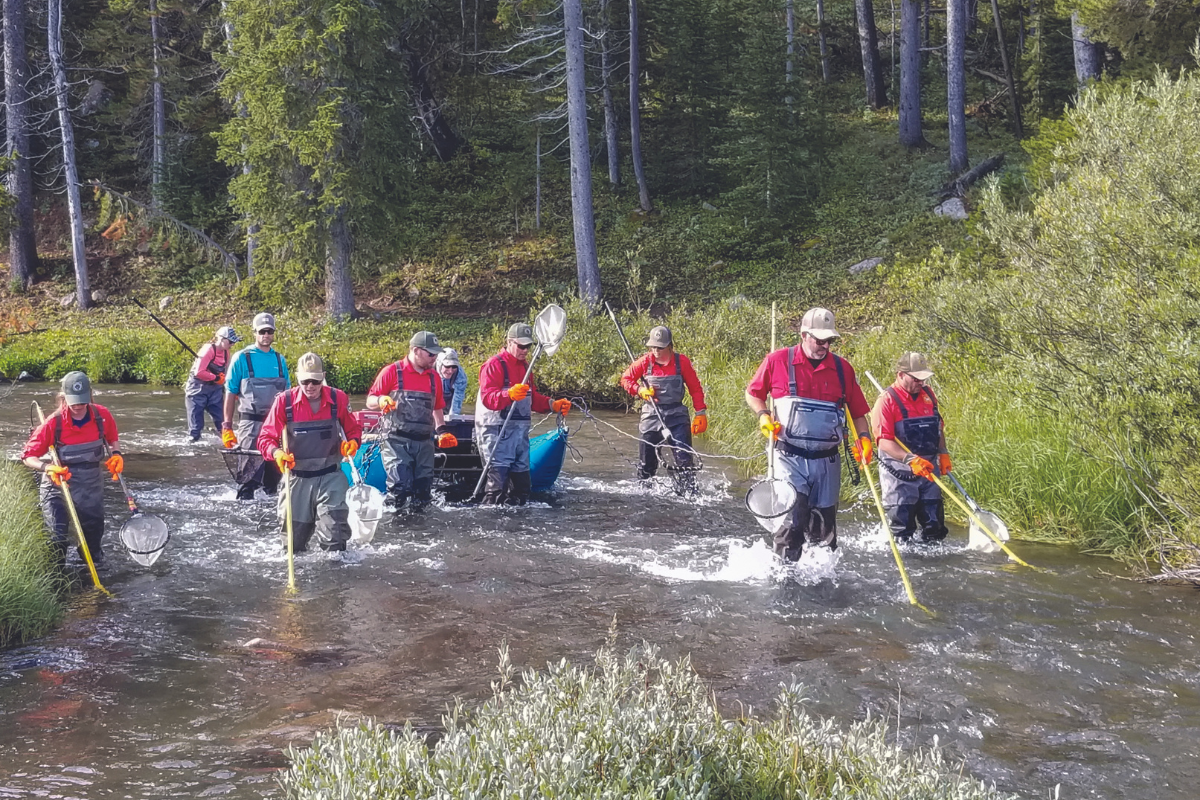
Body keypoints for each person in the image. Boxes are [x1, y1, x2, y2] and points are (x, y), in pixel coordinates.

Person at [744, 307, 873, 562]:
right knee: (792, 521)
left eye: (829, 341)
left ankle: (821, 581)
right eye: (819, 339)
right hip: (788, 457)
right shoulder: (777, 360)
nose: (824, 345)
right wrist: (763, 415)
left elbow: (858, 412)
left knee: (825, 529)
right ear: (803, 335)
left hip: (828, 461)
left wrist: (865, 439)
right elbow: (753, 393)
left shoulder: (843, 369)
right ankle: (785, 578)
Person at [257, 353, 362, 553]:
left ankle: (336, 579)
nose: (310, 386)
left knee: (335, 541)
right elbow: (265, 439)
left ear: (323, 376)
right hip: (297, 479)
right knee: (293, 546)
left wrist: (353, 443)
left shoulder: (338, 398)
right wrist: (277, 453)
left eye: (315, 380)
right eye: (305, 381)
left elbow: (353, 429)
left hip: (331, 476)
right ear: (297, 378)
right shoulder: (283, 402)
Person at [22, 371, 124, 567]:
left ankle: (90, 574)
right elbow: (28, 456)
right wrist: (48, 467)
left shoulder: (102, 416)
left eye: (82, 401)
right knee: (57, 539)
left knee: (92, 541)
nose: (78, 406)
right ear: (64, 397)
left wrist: (117, 455)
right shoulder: (54, 422)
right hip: (57, 486)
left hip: (90, 484)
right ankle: (57, 579)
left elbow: (112, 439)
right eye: (73, 402)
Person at [475, 322, 571, 505]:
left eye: (528, 346)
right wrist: (508, 394)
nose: (525, 350)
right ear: (510, 342)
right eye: (521, 346)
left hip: (519, 436)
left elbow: (532, 399)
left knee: (522, 488)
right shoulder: (493, 365)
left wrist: (553, 405)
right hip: (496, 434)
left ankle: (518, 526)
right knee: (498, 488)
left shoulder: (526, 368)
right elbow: (488, 398)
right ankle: (489, 524)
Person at [366, 332, 459, 510]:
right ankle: (396, 529)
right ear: (416, 350)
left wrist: (442, 431)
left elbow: (437, 407)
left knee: (423, 492)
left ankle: (420, 533)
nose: (434, 358)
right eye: (430, 354)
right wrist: (380, 400)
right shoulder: (391, 372)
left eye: (436, 354)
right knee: (400, 486)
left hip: (424, 442)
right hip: (396, 440)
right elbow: (370, 400)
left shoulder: (434, 378)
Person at [871, 352, 951, 544]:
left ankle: (935, 567)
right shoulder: (886, 401)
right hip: (899, 475)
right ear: (901, 375)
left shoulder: (928, 395)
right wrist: (910, 460)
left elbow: (937, 427)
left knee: (935, 529)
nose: (920, 383)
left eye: (923, 379)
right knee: (902, 532)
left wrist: (944, 454)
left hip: (929, 471)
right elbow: (883, 441)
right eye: (916, 379)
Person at [619, 325, 708, 488]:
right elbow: (625, 380)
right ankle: (645, 492)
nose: (656, 350)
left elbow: (695, 389)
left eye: (660, 347)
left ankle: (689, 492)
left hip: (677, 416)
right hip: (651, 415)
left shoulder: (682, 363)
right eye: (653, 346)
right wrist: (640, 390)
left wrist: (700, 413)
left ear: (670, 346)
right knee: (646, 465)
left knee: (684, 461)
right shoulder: (645, 362)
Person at [222, 312, 291, 500]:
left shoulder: (280, 360)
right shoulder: (241, 358)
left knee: (274, 482)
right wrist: (227, 427)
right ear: (255, 332)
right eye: (262, 331)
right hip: (249, 427)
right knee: (248, 480)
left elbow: (288, 396)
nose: (266, 335)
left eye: (269, 331)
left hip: (275, 428)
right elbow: (230, 393)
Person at [185, 325, 241, 441]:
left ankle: (229, 444)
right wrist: (215, 378)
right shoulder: (208, 350)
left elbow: (225, 373)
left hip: (215, 391)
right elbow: (199, 372)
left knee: (223, 423)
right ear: (221, 339)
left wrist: (231, 390)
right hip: (196, 391)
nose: (232, 344)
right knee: (195, 429)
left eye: (233, 342)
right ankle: (193, 449)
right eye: (230, 341)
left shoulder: (226, 352)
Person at [436, 347, 469, 416]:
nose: (451, 371)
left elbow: (457, 401)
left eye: (454, 366)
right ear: (439, 363)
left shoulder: (460, 376)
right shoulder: (429, 371)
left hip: (449, 400)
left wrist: (452, 418)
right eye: (447, 366)